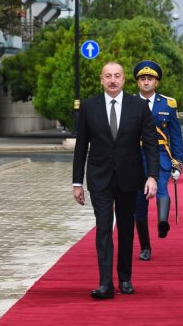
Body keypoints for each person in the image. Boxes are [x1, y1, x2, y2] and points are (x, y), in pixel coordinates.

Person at [72, 62, 158, 299]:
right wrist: (77, 182)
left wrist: (152, 176)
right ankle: (105, 283)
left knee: (127, 228)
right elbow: (81, 147)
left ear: (124, 80)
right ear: (101, 80)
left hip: (130, 178)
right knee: (103, 228)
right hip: (99, 178)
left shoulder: (139, 107)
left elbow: (151, 144)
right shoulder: (90, 107)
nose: (112, 80)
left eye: (117, 76)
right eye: (108, 76)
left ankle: (125, 278)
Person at [132, 60, 183, 262]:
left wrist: (178, 162)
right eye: (143, 79)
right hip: (136, 155)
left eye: (150, 79)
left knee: (161, 187)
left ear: (157, 82)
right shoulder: (129, 102)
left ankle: (163, 221)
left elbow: (176, 135)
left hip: (161, 153)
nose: (146, 82)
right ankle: (145, 246)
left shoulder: (168, 104)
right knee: (139, 203)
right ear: (138, 82)